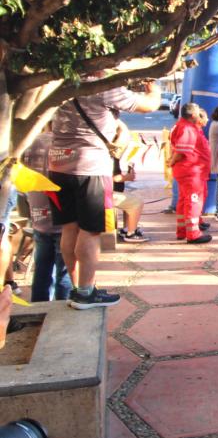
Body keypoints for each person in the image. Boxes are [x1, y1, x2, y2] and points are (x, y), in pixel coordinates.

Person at [48, 79, 159, 308]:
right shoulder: (103, 85)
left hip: (57, 164)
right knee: (90, 230)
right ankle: (86, 293)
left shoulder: (59, 81)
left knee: (70, 228)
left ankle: (79, 288)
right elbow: (149, 104)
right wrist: (152, 86)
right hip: (90, 167)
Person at [23, 127, 72, 302]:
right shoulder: (67, 143)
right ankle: (61, 311)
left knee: (42, 268)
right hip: (63, 219)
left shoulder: (29, 142)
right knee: (64, 271)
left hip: (38, 216)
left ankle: (38, 307)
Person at [170, 103, 213, 244]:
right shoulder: (188, 129)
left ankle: (182, 230)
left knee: (184, 200)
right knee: (193, 201)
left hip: (189, 172)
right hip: (191, 172)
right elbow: (181, 151)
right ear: (193, 115)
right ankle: (193, 233)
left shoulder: (183, 126)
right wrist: (171, 161)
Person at [110, 120, 147, 243]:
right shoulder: (108, 155)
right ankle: (131, 233)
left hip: (111, 191)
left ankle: (127, 228)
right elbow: (111, 178)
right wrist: (127, 177)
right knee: (136, 202)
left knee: (130, 199)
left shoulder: (113, 154)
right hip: (105, 194)